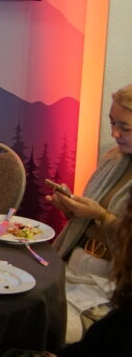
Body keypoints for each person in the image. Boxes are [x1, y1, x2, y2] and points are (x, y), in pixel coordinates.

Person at [48, 84, 132, 343]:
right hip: (75, 264)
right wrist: (73, 210)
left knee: (44, 325)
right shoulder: (113, 160)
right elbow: (90, 222)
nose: (114, 133)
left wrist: (100, 215)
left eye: (124, 127)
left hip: (110, 284)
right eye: (111, 122)